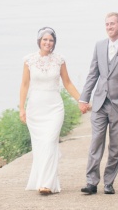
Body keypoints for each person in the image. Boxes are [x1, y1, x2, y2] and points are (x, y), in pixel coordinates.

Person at [79, 12, 118, 195]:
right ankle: (91, 182)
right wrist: (84, 97)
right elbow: (93, 74)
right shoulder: (99, 46)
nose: (109, 27)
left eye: (112, 24)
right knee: (95, 142)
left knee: (115, 146)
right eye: (107, 24)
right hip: (99, 103)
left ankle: (108, 182)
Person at [19, 26, 82, 195]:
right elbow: (24, 85)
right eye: (45, 39)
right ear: (39, 41)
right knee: (41, 146)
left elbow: (67, 83)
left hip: (54, 108)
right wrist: (21, 108)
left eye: (51, 40)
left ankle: (46, 184)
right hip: (35, 109)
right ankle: (43, 182)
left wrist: (81, 100)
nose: (48, 42)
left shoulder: (59, 60)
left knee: (49, 141)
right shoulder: (29, 60)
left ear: (54, 43)